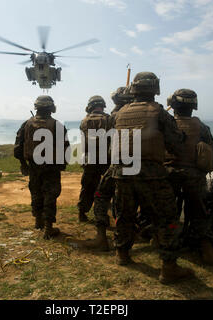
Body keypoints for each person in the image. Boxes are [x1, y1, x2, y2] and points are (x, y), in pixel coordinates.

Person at [112, 72, 194, 283]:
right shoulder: (159, 113)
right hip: (151, 174)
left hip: (122, 173)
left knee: (124, 214)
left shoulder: (119, 113)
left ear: (134, 89)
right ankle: (169, 267)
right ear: (155, 89)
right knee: (167, 219)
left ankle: (122, 254)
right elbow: (175, 144)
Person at [165, 89, 213, 264]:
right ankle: (205, 245)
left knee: (170, 213)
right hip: (195, 176)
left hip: (170, 175)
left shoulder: (167, 125)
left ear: (173, 106)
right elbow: (211, 155)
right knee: (199, 212)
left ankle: (166, 242)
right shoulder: (202, 127)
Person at [84, 87, 134, 251]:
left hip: (98, 161)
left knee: (94, 190)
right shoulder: (110, 118)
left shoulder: (88, 120)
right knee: (117, 194)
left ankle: (87, 217)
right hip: (114, 161)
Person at [14, 95, 70, 240]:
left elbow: (18, 146)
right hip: (51, 167)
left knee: (36, 192)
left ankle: (38, 221)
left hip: (33, 166)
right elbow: (65, 148)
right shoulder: (57, 125)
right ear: (51, 108)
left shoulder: (27, 124)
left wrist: (23, 164)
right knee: (50, 195)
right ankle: (48, 228)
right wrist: (62, 165)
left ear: (37, 107)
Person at [77, 96, 112, 222]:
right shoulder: (108, 119)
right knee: (105, 189)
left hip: (89, 159)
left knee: (87, 187)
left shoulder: (84, 121)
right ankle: (102, 215)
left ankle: (82, 212)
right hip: (105, 159)